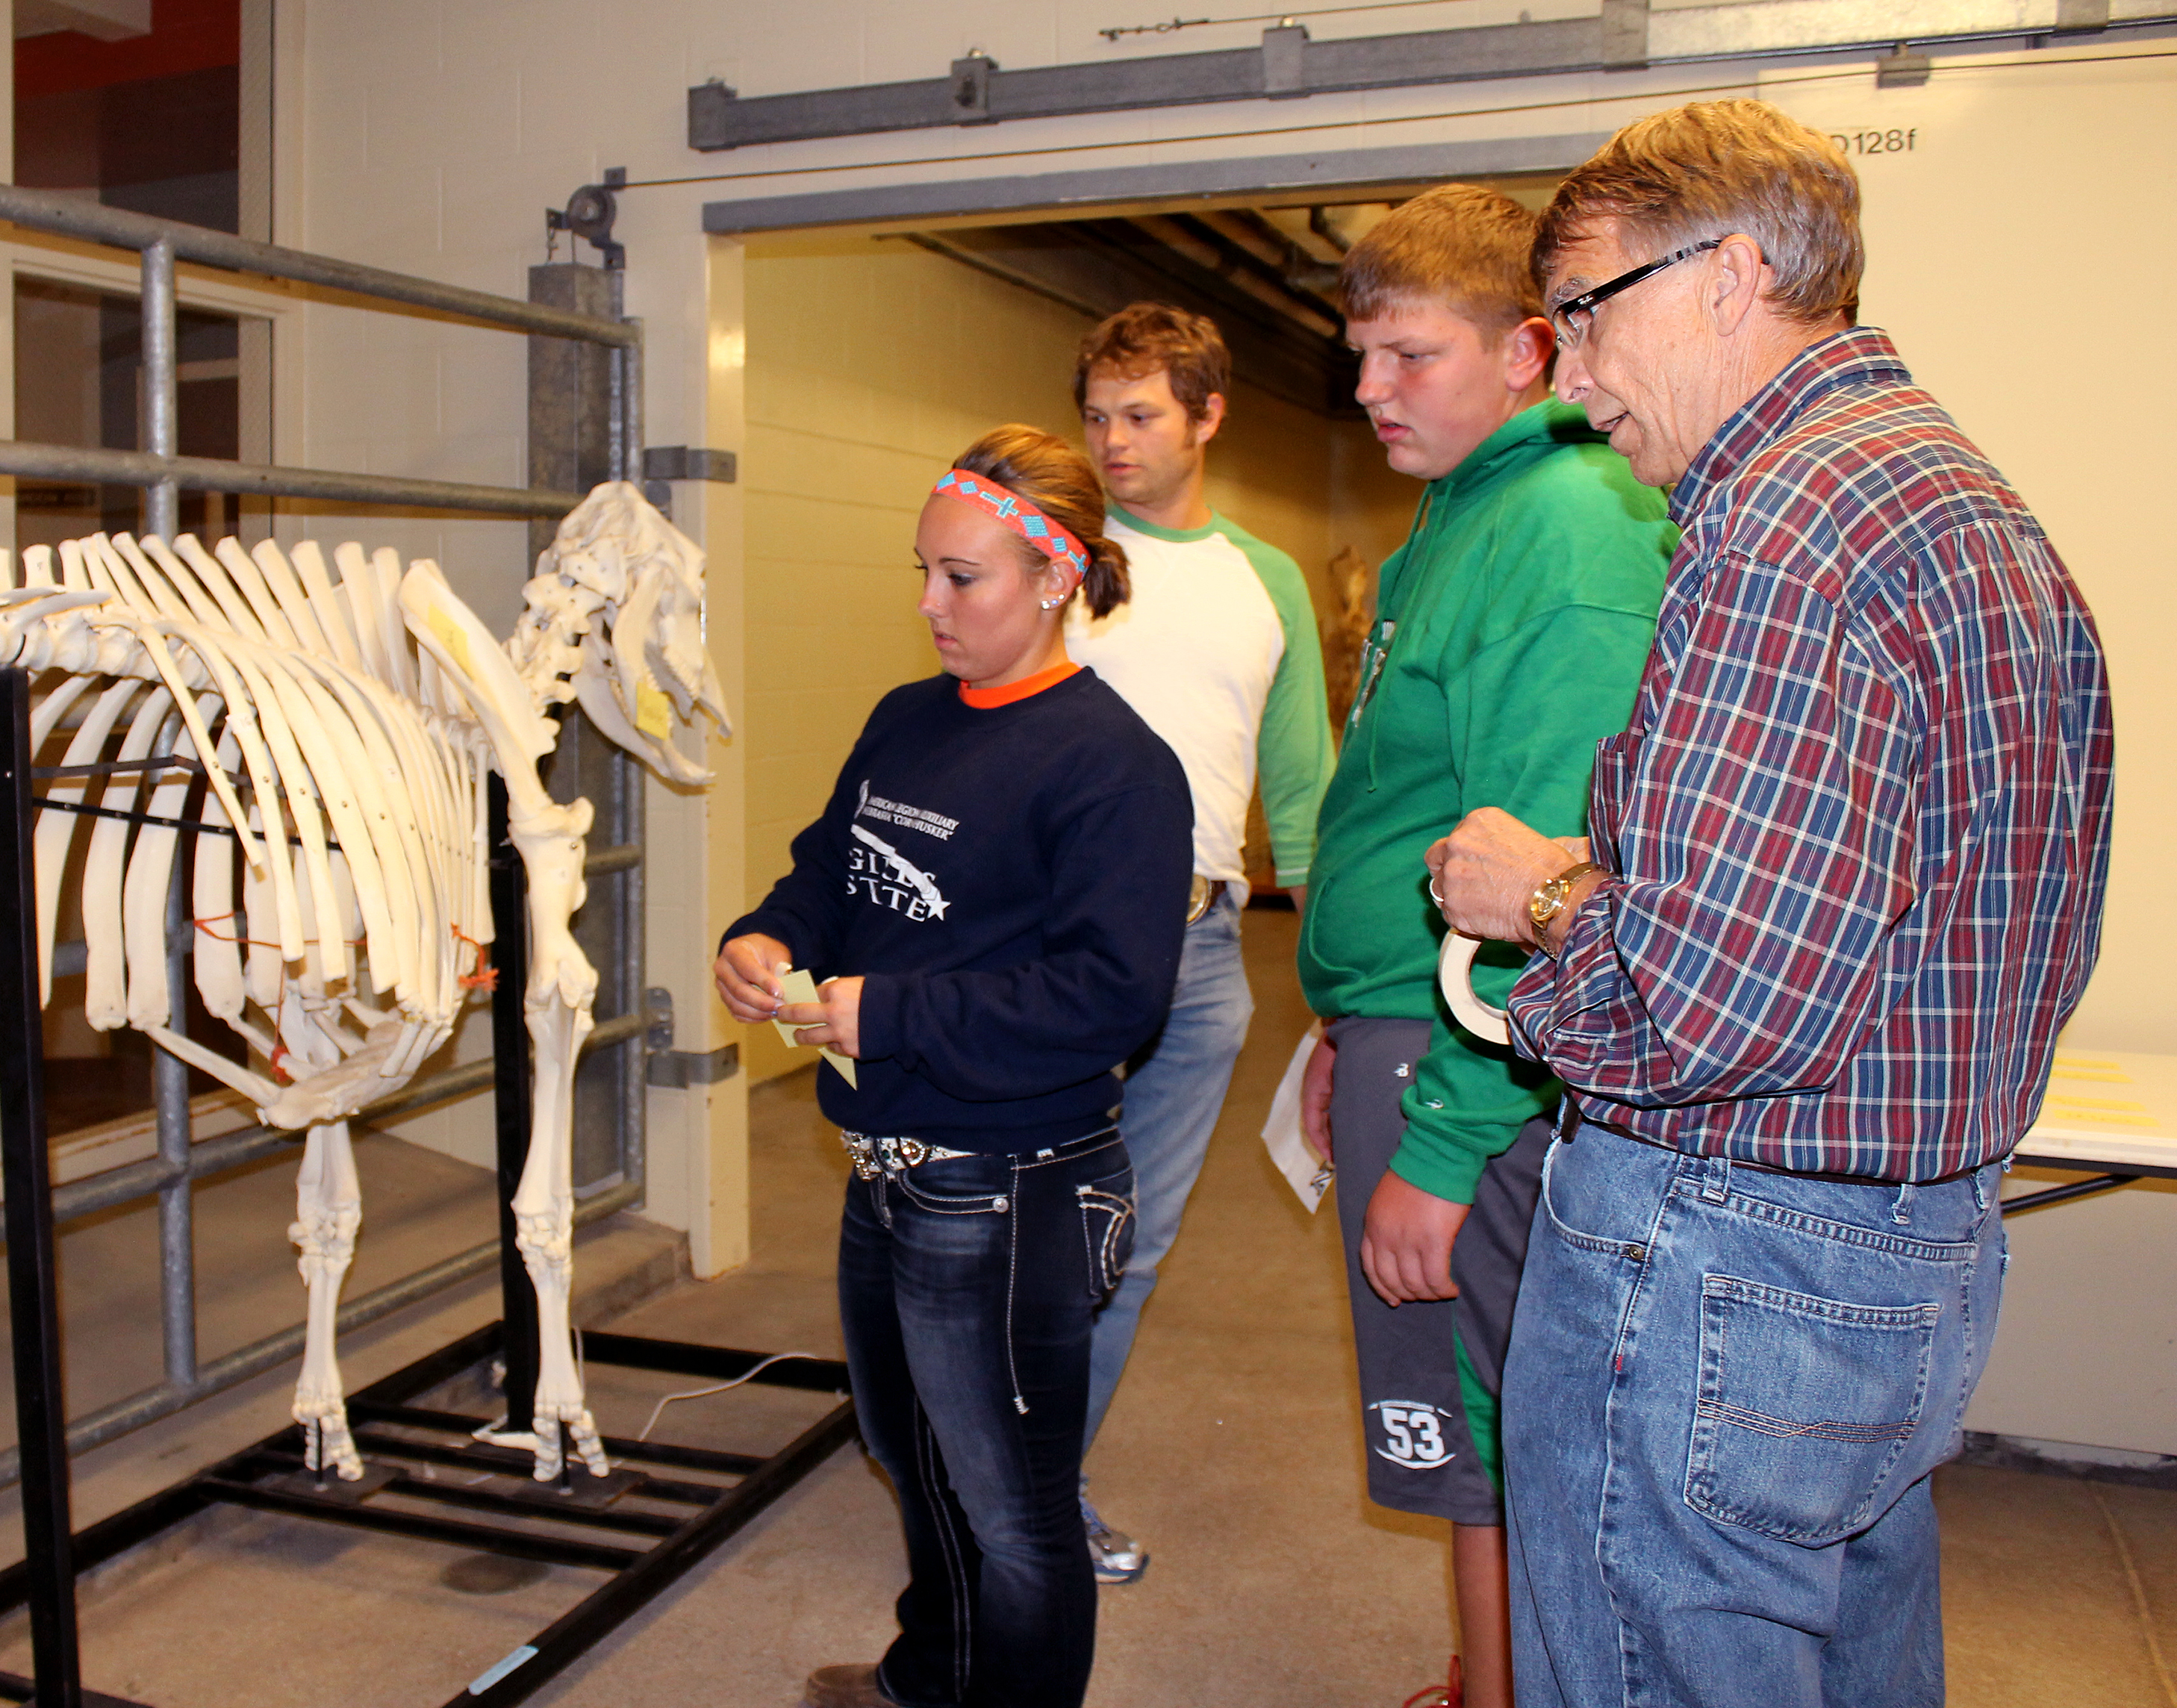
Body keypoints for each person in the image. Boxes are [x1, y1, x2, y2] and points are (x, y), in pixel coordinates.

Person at [1427, 100, 2114, 1708]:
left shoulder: (1777, 526)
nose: (1573, 380)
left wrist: (1538, 902)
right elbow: (1916, 911)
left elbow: (1702, 1001)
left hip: (1722, 1244)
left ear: (1730, 274)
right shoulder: (1959, 505)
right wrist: (1624, 893)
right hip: (1909, 1236)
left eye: (1585, 316)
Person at [714, 426, 1192, 1708]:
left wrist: (896, 1016)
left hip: (1015, 1187)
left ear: (1054, 575)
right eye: (921, 569)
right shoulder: (908, 719)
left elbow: (1114, 997)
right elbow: (830, 871)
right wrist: (767, 937)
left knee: (1012, 1509)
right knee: (910, 1454)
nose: (928, 603)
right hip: (889, 1173)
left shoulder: (1114, 765)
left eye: (961, 577)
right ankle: (933, 1678)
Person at [1295, 184, 1676, 1708]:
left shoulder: (1561, 530)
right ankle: (1487, 1677)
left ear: (1529, 349)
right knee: (1469, 1426)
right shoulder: (1463, 513)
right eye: (1360, 356)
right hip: (1409, 1029)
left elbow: (1545, 872)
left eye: (1410, 356)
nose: (1374, 391)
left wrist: (1447, 1137)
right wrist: (1348, 1037)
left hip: (1477, 1060)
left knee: (1482, 1431)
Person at [1067, 302, 1333, 1580]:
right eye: (1097, 418)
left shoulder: (1265, 579)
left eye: (1141, 416)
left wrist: (1343, 983)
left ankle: (1042, 1490)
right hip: (1054, 946)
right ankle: (981, 1476)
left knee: (1134, 1240)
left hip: (1205, 951)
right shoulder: (1057, 549)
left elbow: (1303, 791)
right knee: (1020, 1225)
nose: (1113, 443)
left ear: (1208, 416)